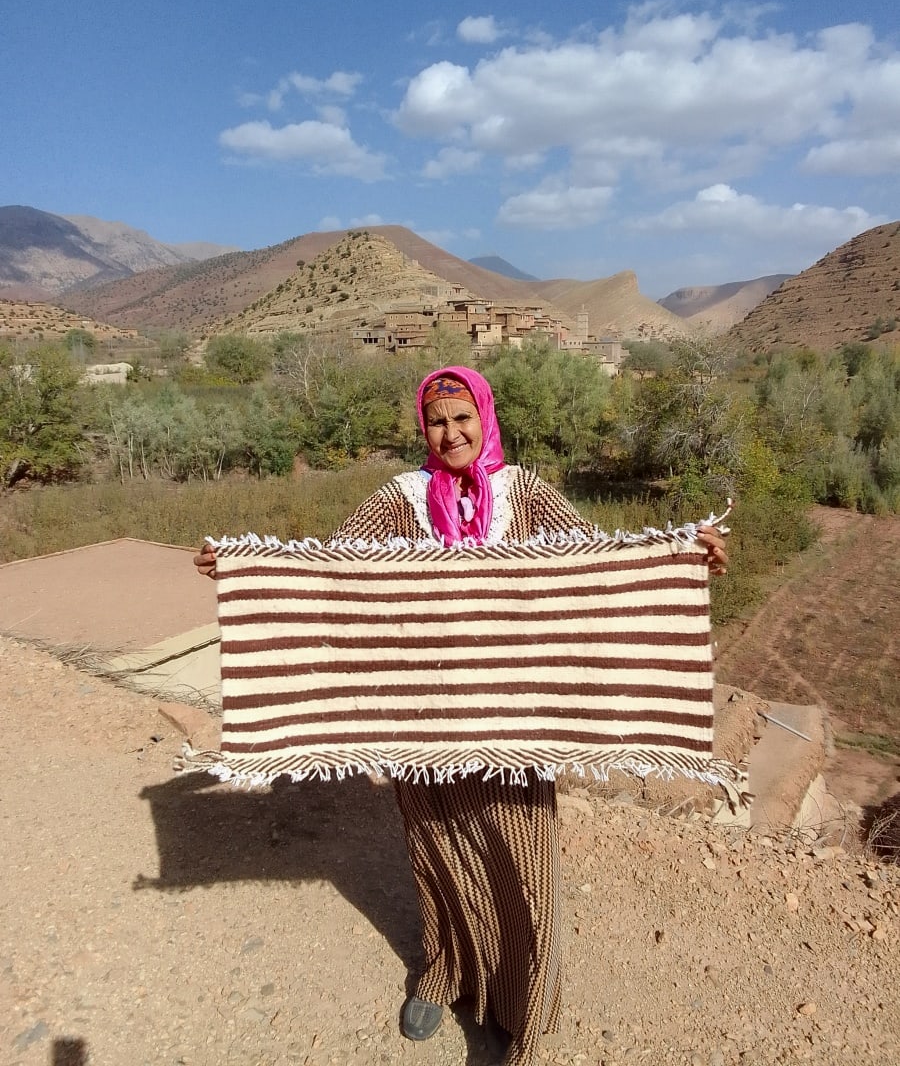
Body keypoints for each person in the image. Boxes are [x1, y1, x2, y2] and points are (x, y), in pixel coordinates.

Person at [194, 364, 728, 1066]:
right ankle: (443, 974)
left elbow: (596, 565)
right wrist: (243, 569)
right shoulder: (400, 499)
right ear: (425, 429)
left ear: (486, 417)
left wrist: (683, 558)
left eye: (462, 418)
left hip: (514, 728)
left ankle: (526, 1013)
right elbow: (333, 569)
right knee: (439, 853)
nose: (451, 433)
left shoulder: (525, 494)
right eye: (437, 422)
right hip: (425, 722)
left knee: (525, 865)